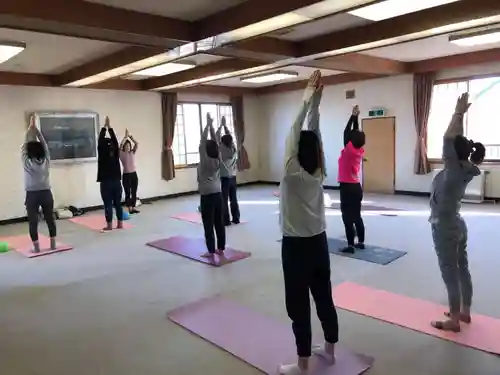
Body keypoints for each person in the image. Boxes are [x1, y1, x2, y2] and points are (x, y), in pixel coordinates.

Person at [279, 70, 338, 375]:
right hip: (319, 243)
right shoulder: (319, 171)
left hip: (296, 248)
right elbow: (313, 135)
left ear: (294, 154)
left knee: (298, 305)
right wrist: (316, 99)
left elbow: (294, 131)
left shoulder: (291, 172)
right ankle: (329, 349)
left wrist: (307, 96)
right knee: (324, 296)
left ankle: (302, 365)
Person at [429, 93, 485, 333]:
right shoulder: (466, 168)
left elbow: (449, 137)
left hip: (445, 228)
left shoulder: (453, 171)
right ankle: (465, 312)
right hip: (458, 225)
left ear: (453, 154)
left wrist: (458, 112)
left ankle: (453, 320)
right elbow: (456, 140)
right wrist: (460, 116)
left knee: (449, 271)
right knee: (462, 267)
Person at [22, 115, 57, 253]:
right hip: (46, 192)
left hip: (32, 194)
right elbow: (45, 145)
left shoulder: (27, 162)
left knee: (33, 221)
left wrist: (29, 130)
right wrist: (36, 131)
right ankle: (53, 245)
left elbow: (24, 147)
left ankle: (36, 248)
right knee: (49, 219)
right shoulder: (46, 159)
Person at [337, 105, 366, 254]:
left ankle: (350, 245)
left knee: (347, 217)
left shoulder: (348, 151)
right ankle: (360, 242)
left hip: (347, 188)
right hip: (356, 187)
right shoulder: (359, 150)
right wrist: (356, 117)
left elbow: (346, 132)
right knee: (357, 215)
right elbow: (353, 134)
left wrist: (352, 116)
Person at [198, 113, 226, 258]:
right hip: (218, 194)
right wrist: (212, 126)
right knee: (218, 222)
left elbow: (203, 141)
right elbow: (214, 142)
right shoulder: (218, 158)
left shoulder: (204, 159)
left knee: (208, 224)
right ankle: (221, 248)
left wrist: (208, 125)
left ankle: (211, 250)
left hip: (207, 196)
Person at [97, 116, 124, 231]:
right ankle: (120, 224)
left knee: (107, 203)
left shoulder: (102, 153)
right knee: (118, 203)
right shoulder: (116, 153)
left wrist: (104, 127)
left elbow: (100, 140)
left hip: (105, 182)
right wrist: (110, 128)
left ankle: (109, 225)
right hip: (116, 182)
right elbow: (115, 142)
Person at [216, 116, 240, 226]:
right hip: (233, 177)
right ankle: (236, 218)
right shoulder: (234, 149)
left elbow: (216, 138)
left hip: (224, 178)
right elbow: (230, 138)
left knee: (224, 200)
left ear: (222, 142)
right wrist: (225, 126)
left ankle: (226, 221)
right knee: (233, 199)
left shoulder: (221, 150)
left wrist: (221, 126)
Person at [120, 129, 139, 214]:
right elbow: (120, 145)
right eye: (126, 146)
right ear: (124, 147)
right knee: (128, 192)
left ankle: (133, 207)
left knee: (134, 191)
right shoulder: (122, 154)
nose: (127, 147)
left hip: (134, 174)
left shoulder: (132, 152)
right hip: (126, 175)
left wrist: (130, 137)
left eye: (129, 146)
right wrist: (125, 137)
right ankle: (130, 208)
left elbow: (136, 144)